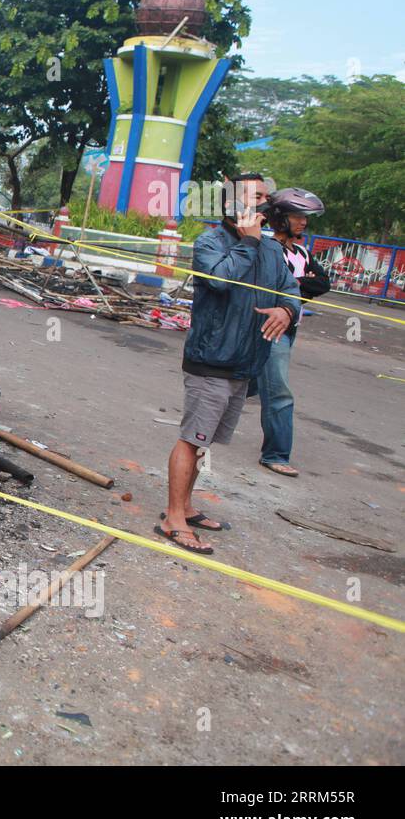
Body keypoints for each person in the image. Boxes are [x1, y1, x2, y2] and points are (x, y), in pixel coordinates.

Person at [158, 174, 301, 554]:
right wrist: (250, 241)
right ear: (231, 205)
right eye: (257, 197)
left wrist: (288, 311)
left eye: (267, 198)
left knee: (205, 442)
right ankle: (173, 518)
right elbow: (219, 281)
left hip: (246, 361)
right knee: (192, 439)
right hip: (211, 360)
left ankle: (186, 507)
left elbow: (291, 289)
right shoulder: (210, 242)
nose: (266, 205)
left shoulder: (272, 251)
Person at [257, 188, 329, 478]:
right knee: (279, 392)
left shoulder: (300, 252)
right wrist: (297, 284)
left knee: (249, 383)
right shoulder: (264, 246)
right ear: (280, 218)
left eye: (305, 217)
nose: (303, 223)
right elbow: (272, 284)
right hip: (269, 326)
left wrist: (294, 286)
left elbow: (322, 282)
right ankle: (275, 454)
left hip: (290, 327)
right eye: (297, 216)